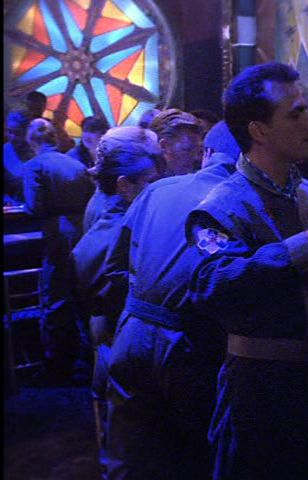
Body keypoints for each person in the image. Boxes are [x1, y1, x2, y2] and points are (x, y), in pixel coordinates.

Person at [185, 62, 308, 479]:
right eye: (296, 113)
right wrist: (303, 247)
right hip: (259, 391)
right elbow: (213, 285)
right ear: (259, 130)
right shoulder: (222, 206)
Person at [99, 124, 240, 478]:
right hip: (191, 343)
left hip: (133, 333)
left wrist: (146, 296)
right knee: (191, 456)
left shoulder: (158, 189)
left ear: (207, 153)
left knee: (127, 452)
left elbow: (113, 267)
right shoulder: (240, 198)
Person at [69, 126, 159, 467]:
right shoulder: (116, 225)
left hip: (110, 341)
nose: (159, 187)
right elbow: (98, 280)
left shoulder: (107, 207)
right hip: (116, 343)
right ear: (124, 184)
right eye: (152, 180)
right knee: (128, 453)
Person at [22, 118, 94, 383]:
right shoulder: (76, 164)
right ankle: (88, 360)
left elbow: (35, 206)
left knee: (56, 299)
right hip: (82, 232)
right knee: (84, 297)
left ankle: (58, 365)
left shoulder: (35, 165)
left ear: (32, 140)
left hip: (56, 236)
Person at [148, 108, 205, 176]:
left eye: (199, 150)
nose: (197, 157)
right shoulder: (144, 179)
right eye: (187, 150)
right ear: (163, 146)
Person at [3, 109, 34, 205]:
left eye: (17, 133)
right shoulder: (4, 151)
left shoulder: (37, 151)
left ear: (27, 132)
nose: (12, 137)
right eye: (9, 132)